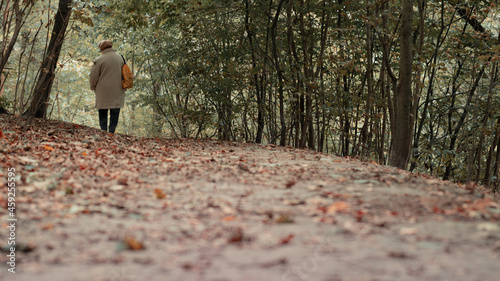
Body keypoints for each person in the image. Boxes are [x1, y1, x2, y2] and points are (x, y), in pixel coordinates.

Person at [89, 40, 125, 134]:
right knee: (115, 112)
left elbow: (93, 76)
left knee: (103, 111)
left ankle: (103, 132)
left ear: (101, 48)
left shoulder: (99, 60)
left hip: (103, 90)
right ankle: (111, 132)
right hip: (118, 89)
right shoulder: (120, 58)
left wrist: (93, 86)